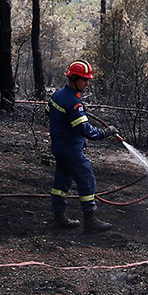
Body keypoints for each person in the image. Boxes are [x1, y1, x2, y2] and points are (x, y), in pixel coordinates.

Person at [46, 59, 118, 232]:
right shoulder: (74, 102)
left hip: (58, 147)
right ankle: (90, 221)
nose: (87, 83)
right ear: (74, 79)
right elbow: (84, 129)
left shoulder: (57, 95)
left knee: (61, 182)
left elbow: (48, 112)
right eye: (84, 80)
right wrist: (104, 133)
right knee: (87, 180)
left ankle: (59, 218)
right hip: (71, 149)